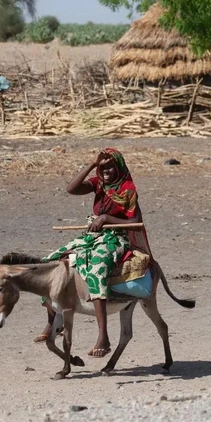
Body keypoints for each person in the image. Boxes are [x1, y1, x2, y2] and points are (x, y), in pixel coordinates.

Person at [34, 148, 143, 357]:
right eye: (103, 168)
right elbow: (71, 189)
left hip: (115, 238)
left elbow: (135, 224)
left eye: (110, 166)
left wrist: (106, 219)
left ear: (119, 167)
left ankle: (103, 336)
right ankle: (53, 323)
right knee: (50, 262)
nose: (106, 171)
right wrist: (92, 164)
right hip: (91, 237)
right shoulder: (99, 183)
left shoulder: (127, 189)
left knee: (97, 268)